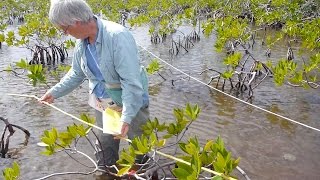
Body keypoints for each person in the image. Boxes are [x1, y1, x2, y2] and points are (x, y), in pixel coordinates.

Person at [39, 0, 149, 172]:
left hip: (130, 99)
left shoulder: (117, 36)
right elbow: (76, 73)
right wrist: (54, 92)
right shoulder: (81, 42)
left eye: (65, 29)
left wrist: (126, 117)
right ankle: (108, 173)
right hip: (103, 101)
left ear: (76, 21)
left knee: (139, 142)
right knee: (106, 144)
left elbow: (131, 83)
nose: (66, 33)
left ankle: (144, 172)